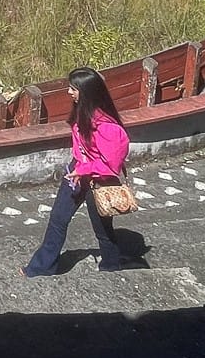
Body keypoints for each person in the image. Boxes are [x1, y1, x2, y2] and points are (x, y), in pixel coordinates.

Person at [23, 67, 136, 276]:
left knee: (102, 228)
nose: (69, 92)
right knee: (58, 218)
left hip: (98, 180)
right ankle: (41, 267)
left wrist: (83, 168)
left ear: (87, 92)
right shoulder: (81, 113)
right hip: (76, 174)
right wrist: (78, 167)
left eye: (73, 89)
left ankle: (111, 264)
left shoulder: (108, 128)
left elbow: (111, 166)